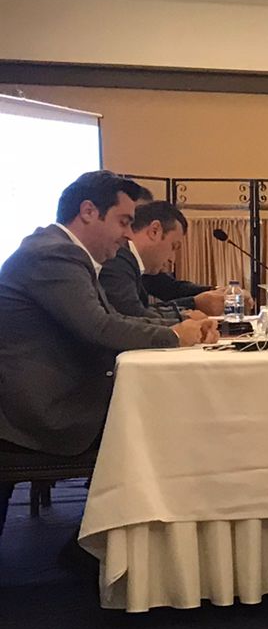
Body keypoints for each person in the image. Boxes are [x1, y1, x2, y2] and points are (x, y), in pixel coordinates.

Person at [0, 170, 215, 458]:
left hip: (58, 393)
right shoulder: (54, 254)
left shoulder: (61, 250)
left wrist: (179, 327)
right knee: (173, 418)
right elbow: (99, 327)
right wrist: (175, 335)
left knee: (171, 405)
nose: (128, 234)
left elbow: (113, 316)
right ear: (88, 211)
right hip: (47, 411)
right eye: (123, 222)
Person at [99, 200, 224, 322]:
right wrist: (186, 315)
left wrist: (214, 292)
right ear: (154, 231)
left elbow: (166, 290)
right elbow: (133, 316)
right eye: (173, 246)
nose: (172, 259)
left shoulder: (130, 261)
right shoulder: (117, 259)